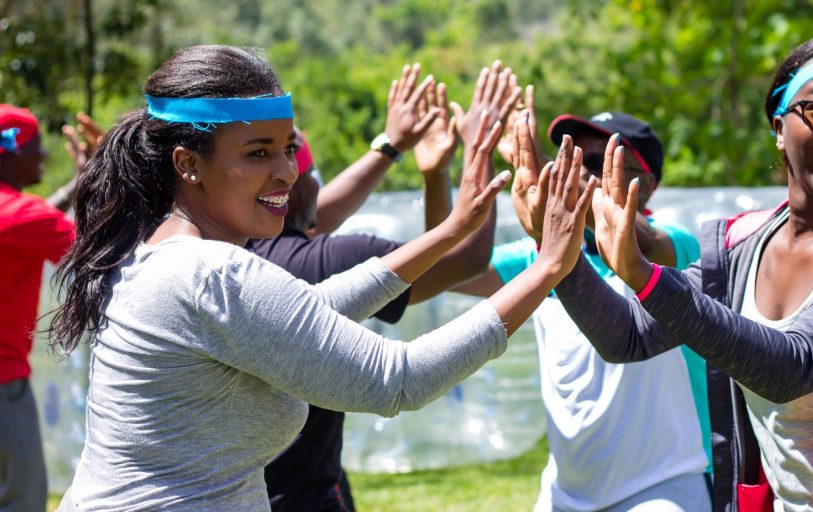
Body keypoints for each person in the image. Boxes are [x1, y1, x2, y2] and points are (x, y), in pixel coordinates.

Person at [49, 45, 595, 511]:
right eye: (258, 152)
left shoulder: (159, 252)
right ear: (188, 164)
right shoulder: (211, 273)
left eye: (288, 148)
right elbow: (399, 378)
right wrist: (549, 267)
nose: (287, 171)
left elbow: (308, 310)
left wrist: (448, 231)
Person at [537, 34, 813, 510]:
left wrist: (645, 275)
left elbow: (792, 367)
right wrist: (558, 257)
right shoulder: (740, 246)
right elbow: (625, 336)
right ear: (779, 126)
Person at [255, 63, 519, 512]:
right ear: (290, 186)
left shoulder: (225, 255)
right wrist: (480, 145)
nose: (320, 184)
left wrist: (404, 156)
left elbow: (314, 214)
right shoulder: (328, 261)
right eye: (313, 171)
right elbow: (466, 262)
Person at [459, 108, 711, 511]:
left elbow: (635, 239)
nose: (578, 175)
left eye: (595, 164)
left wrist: (543, 168)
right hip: (564, 495)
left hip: (665, 486)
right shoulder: (534, 256)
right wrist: (473, 157)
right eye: (568, 158)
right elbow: (451, 271)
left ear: (645, 185)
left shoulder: (675, 249)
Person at [0, 104, 76, 512]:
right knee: (23, 500)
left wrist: (78, 185)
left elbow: (30, 221)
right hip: (3, 386)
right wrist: (109, 180)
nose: (43, 155)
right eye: (35, 146)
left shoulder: (13, 215)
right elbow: (96, 251)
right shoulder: (21, 216)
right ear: (9, 152)